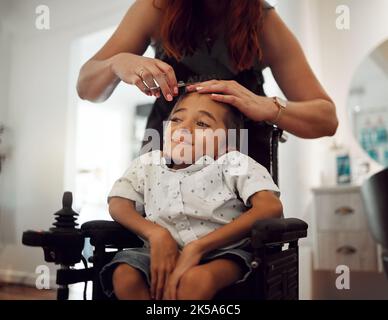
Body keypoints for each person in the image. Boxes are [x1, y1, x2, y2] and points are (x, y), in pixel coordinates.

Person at [77, 0, 339, 166]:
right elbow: (86, 88)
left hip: (240, 169)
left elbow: (327, 119)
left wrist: (269, 107)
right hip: (165, 159)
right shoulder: (155, 9)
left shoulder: (264, 23)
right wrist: (117, 63)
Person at [100, 91, 283, 300]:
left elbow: (270, 207)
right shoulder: (148, 163)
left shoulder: (233, 162)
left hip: (222, 253)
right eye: (176, 119)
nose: (183, 129)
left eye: (202, 124)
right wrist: (156, 234)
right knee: (125, 276)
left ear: (227, 142)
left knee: (197, 281)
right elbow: (118, 203)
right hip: (156, 252)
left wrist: (198, 247)